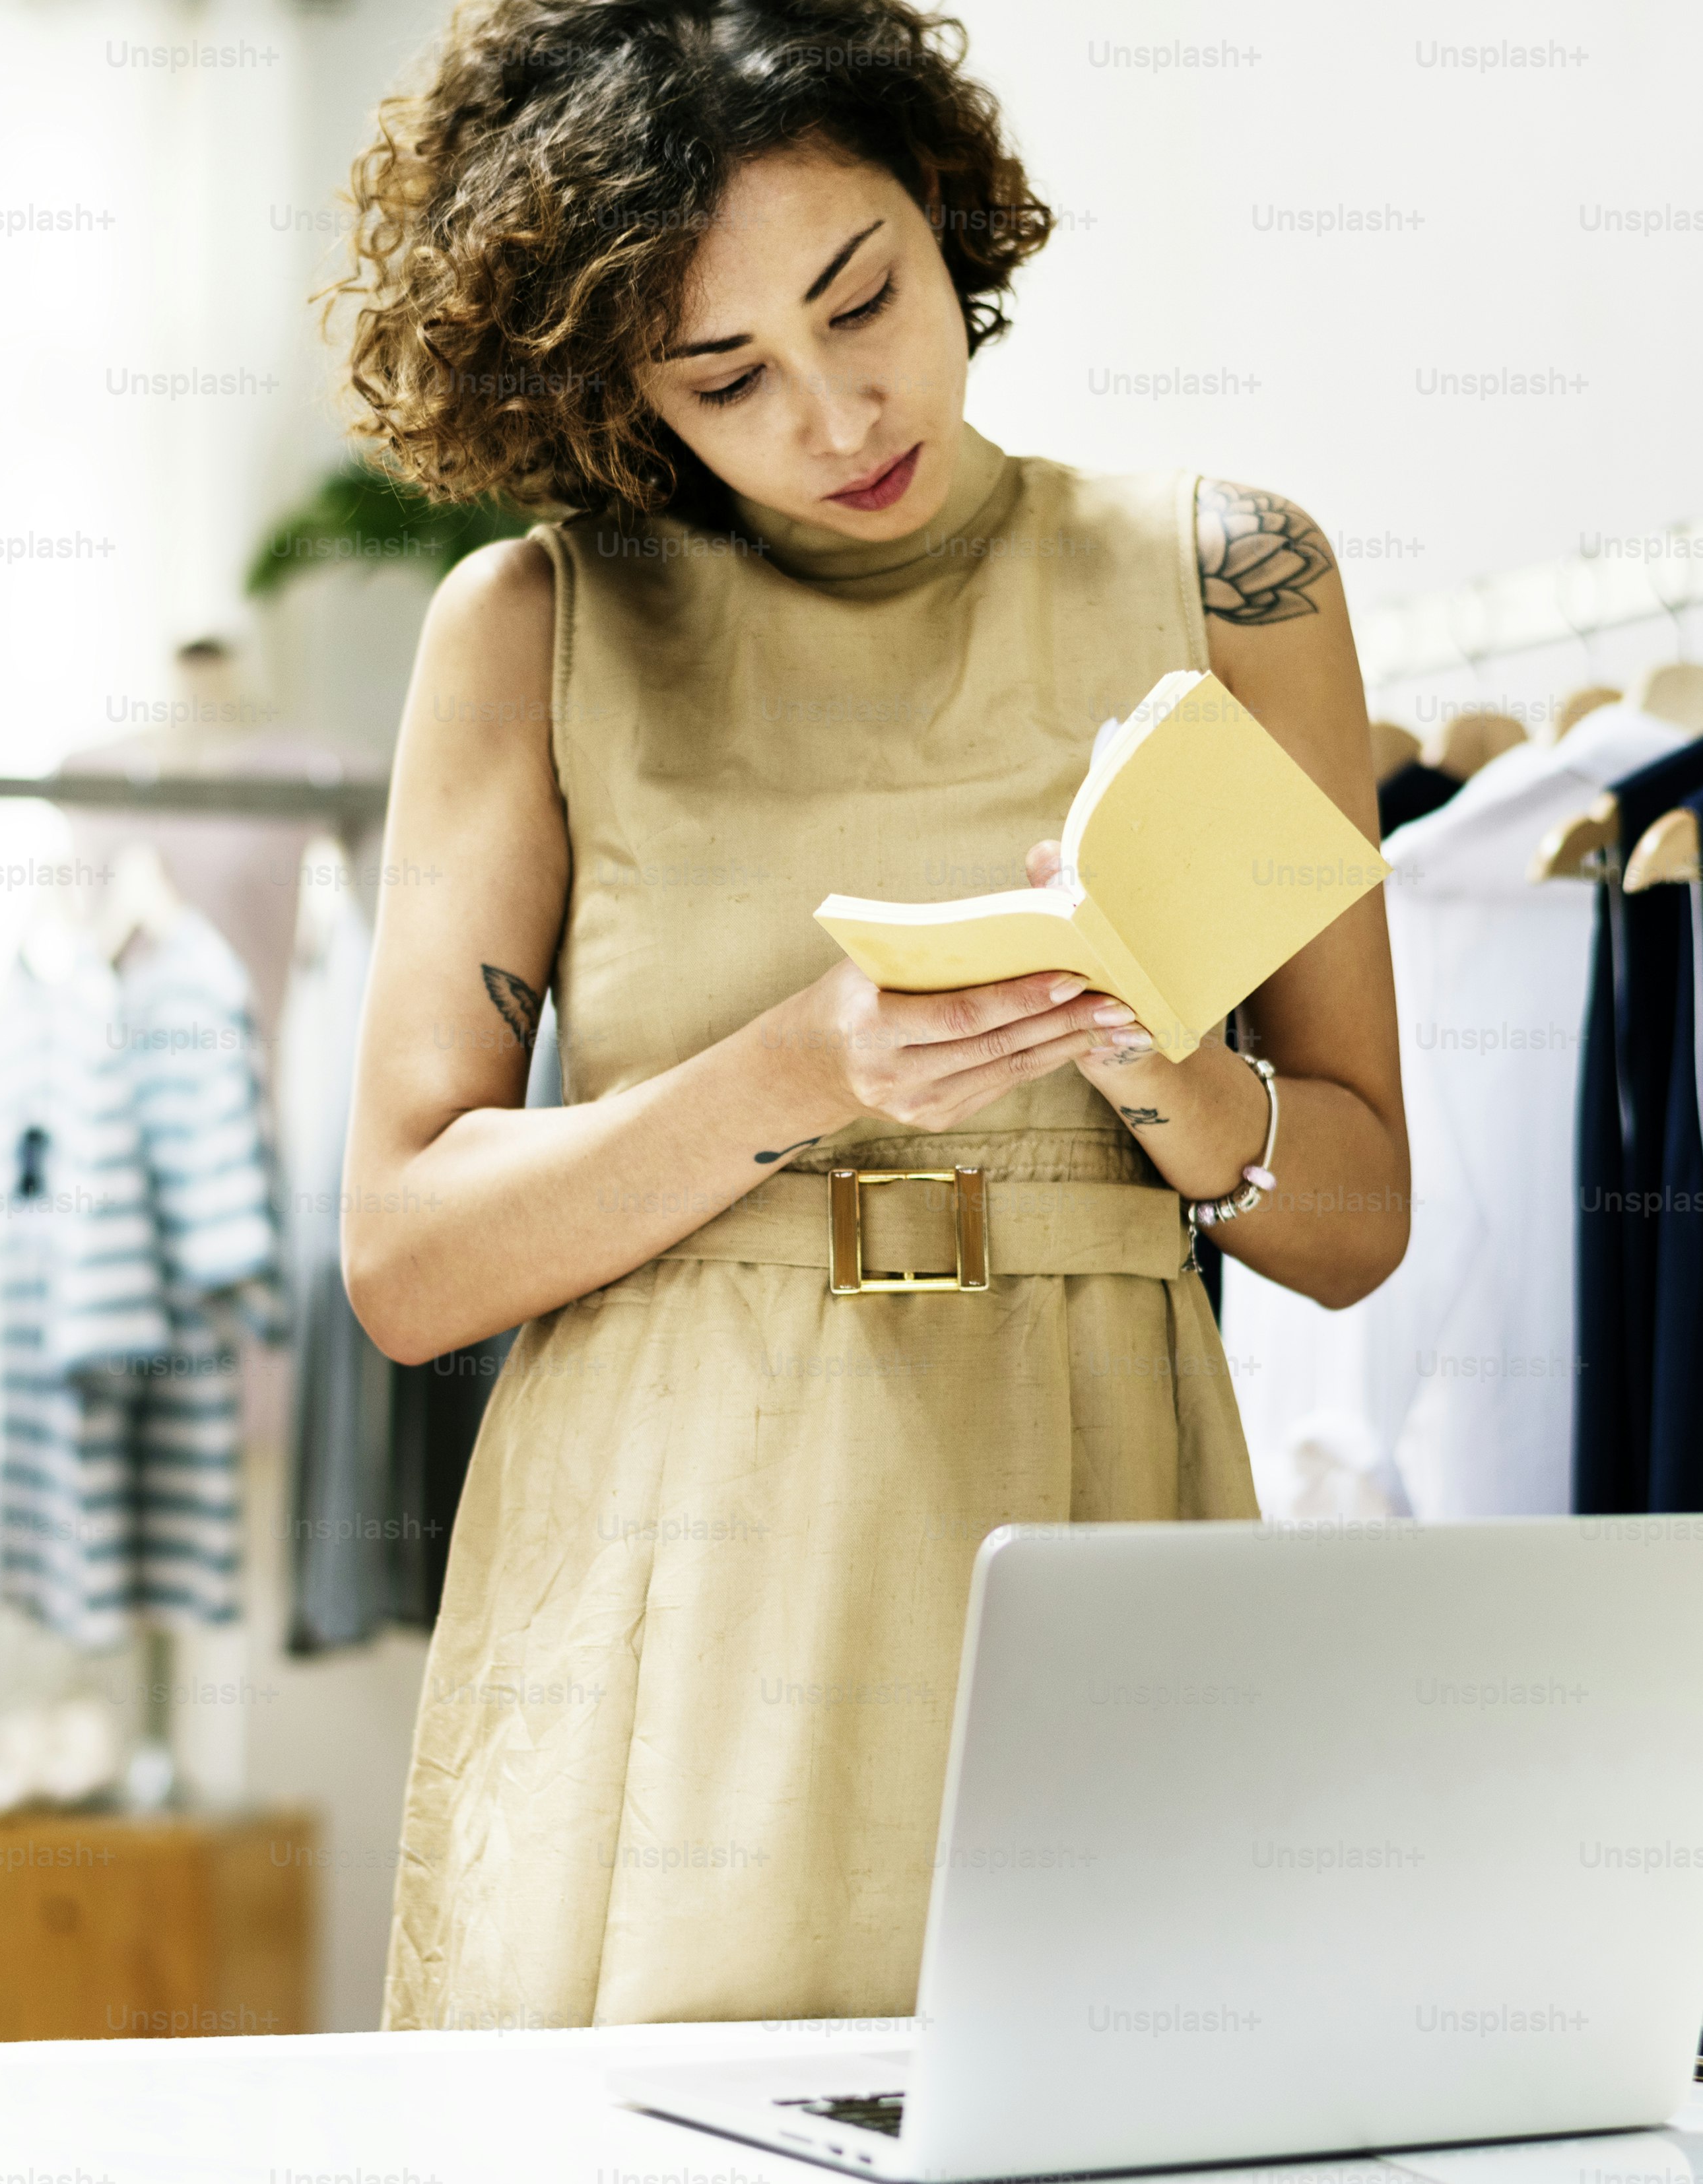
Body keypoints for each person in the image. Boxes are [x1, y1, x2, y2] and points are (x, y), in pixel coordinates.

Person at [333, 0, 1409, 2030]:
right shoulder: (536, 626)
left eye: (864, 302)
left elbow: (1360, 1223)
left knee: (1115, 2097)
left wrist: (1165, 1076)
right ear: (611, 383)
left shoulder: (1234, 580)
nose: (836, 415)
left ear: (943, 208)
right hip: (671, 1561)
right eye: (727, 377)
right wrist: (803, 1067)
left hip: (1093, 1519)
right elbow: (404, 1259)